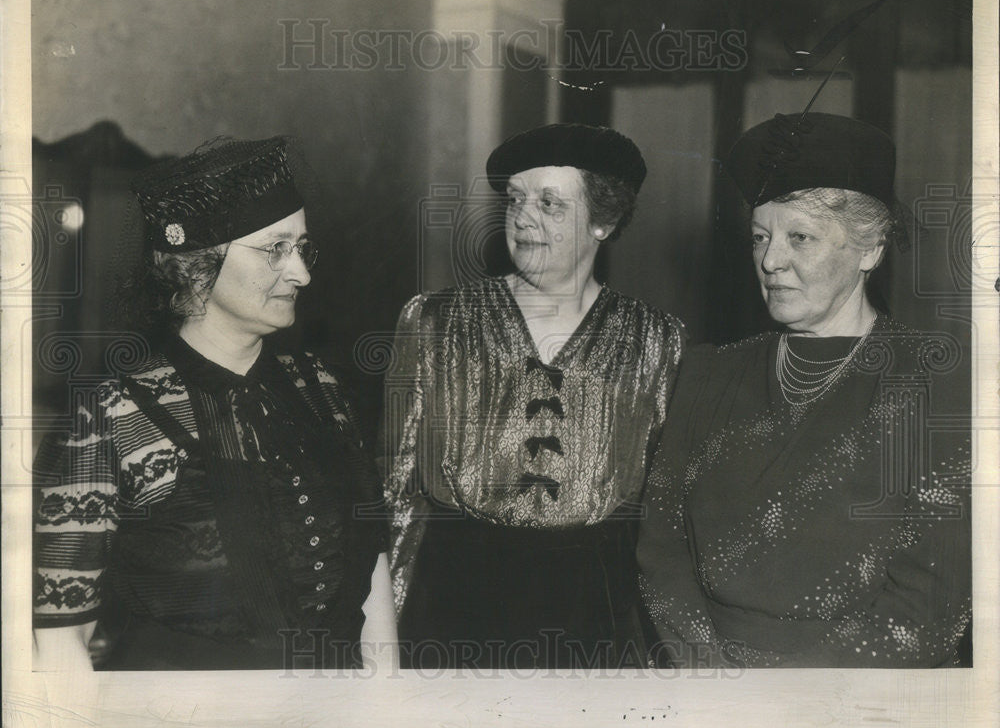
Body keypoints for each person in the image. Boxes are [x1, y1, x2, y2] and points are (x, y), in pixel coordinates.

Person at [33, 136, 396, 671]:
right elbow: (60, 644)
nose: (302, 273)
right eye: (276, 248)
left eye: (303, 248)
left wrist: (387, 724)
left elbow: (373, 574)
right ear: (196, 264)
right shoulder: (110, 416)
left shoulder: (320, 388)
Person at [636, 112, 972, 668]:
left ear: (870, 249)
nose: (771, 261)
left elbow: (929, 607)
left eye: (801, 237)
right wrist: (710, 674)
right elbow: (662, 551)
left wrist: (785, 702)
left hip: (861, 703)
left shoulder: (938, 382)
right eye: (760, 237)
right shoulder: (706, 374)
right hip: (708, 689)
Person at [382, 123, 684, 668]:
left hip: (593, 621)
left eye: (550, 204)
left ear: (604, 219)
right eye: (516, 200)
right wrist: (384, 639)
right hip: (451, 611)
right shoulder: (435, 321)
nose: (523, 218)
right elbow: (397, 492)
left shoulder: (655, 339)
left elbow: (662, 515)